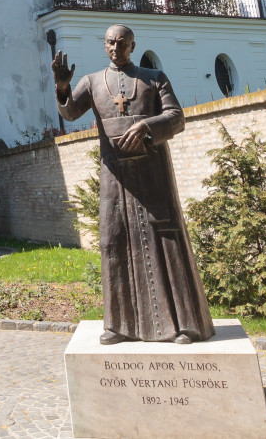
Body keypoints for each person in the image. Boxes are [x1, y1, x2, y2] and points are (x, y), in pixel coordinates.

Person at [54, 24, 214, 344]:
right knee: (113, 242)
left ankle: (183, 325)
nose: (116, 48)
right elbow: (70, 113)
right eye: (110, 43)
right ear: (104, 46)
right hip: (115, 176)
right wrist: (61, 87)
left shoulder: (154, 78)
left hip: (153, 172)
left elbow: (177, 117)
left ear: (132, 46)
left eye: (122, 43)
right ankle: (120, 326)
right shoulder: (92, 82)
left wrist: (147, 127)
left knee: (166, 239)